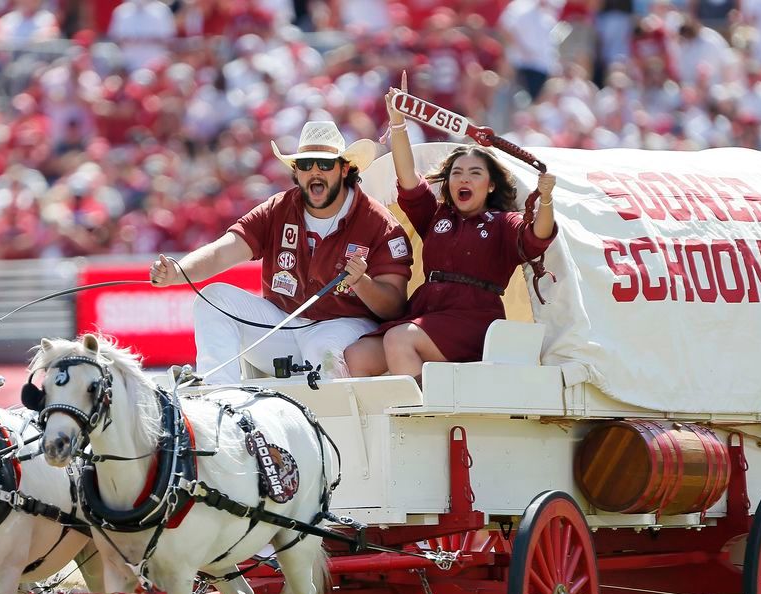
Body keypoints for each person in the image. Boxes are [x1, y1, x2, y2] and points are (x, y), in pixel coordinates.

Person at [150, 120, 413, 383]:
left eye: (324, 164)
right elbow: (223, 251)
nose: (314, 171)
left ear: (345, 169)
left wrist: (361, 283)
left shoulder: (377, 221)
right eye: (306, 164)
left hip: (344, 325)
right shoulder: (278, 208)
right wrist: (178, 271)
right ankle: (218, 393)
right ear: (296, 171)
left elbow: (394, 307)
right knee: (212, 299)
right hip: (282, 324)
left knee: (323, 351)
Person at [344, 77, 557, 382]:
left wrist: (546, 200)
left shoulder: (502, 222)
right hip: (427, 310)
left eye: (475, 173)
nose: (464, 179)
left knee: (399, 340)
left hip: (473, 318)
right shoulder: (437, 216)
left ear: (491, 185)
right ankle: (386, 412)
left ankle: (423, 410)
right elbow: (408, 178)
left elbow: (539, 236)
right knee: (357, 356)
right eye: (457, 173)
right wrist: (398, 123)